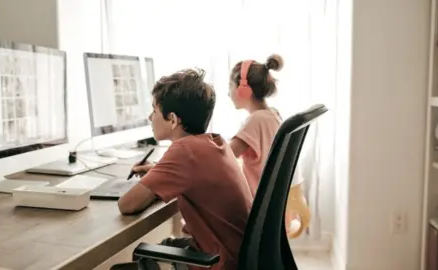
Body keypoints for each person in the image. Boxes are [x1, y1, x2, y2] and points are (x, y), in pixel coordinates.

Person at [117, 69, 252, 270]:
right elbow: (194, 175)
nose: (149, 117)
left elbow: (127, 205)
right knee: (158, 249)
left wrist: (155, 179)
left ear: (172, 119)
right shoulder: (214, 143)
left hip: (218, 262)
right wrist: (159, 173)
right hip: (237, 255)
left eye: (154, 111)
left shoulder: (184, 152)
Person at [227, 54, 306, 235]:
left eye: (229, 86)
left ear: (243, 89)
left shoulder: (256, 121)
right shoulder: (272, 115)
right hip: (273, 210)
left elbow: (224, 155)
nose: (228, 93)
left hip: (255, 210)